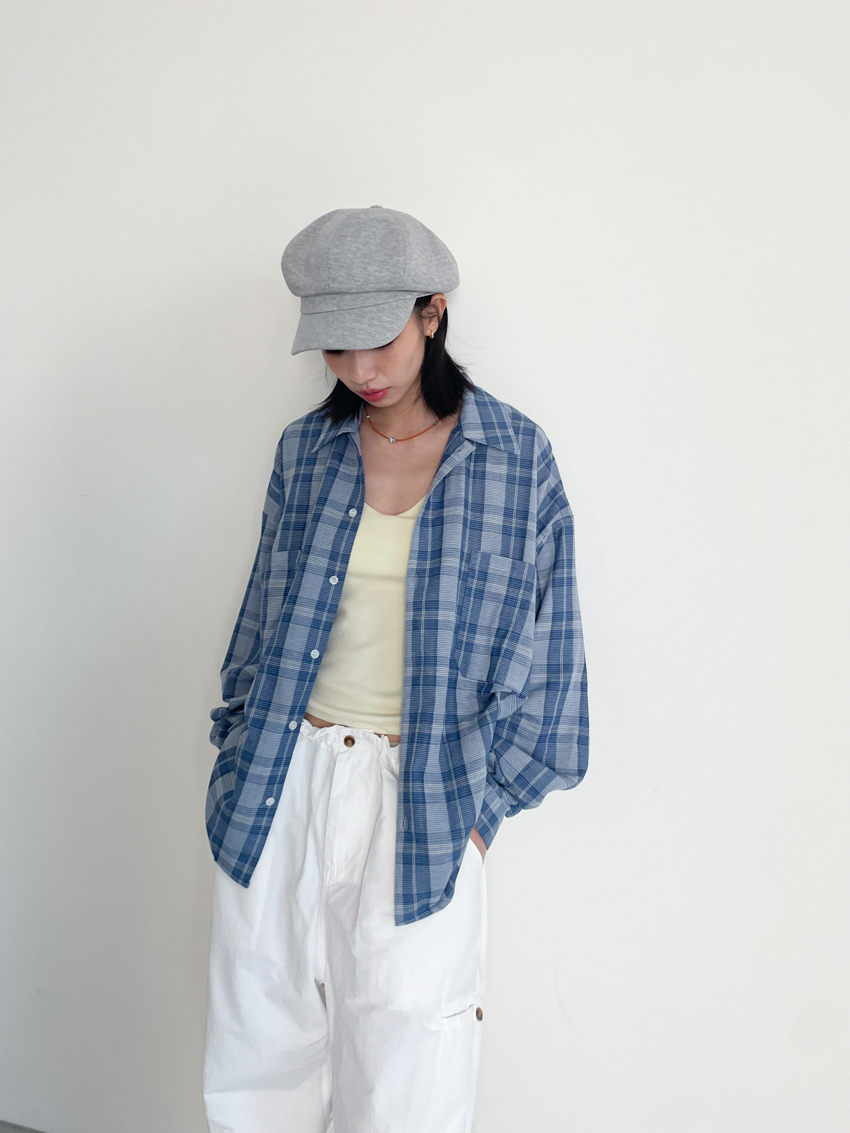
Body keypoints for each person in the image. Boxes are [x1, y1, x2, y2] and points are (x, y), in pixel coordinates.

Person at [202, 205, 589, 1133]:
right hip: (282, 780)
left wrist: (480, 819)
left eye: (376, 339)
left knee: (409, 1069)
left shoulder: (516, 458)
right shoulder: (305, 451)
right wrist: (237, 752)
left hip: (425, 794)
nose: (359, 369)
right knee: (260, 1057)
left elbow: (557, 664)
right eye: (334, 348)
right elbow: (259, 623)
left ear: (432, 312)